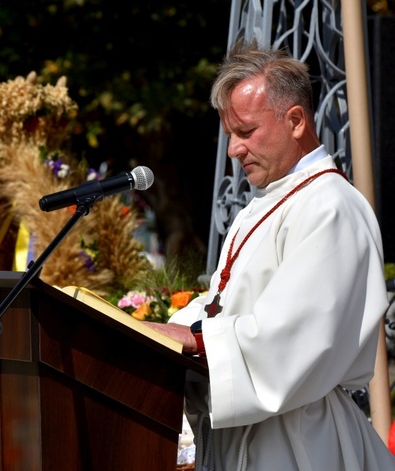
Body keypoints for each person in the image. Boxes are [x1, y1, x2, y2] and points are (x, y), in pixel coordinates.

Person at [145, 39, 395, 470]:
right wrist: (164, 330)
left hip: (300, 444)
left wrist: (197, 340)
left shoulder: (330, 206)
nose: (233, 150)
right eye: (230, 136)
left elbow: (294, 338)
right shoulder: (264, 204)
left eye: (245, 132)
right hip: (251, 432)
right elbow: (223, 303)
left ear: (295, 120)